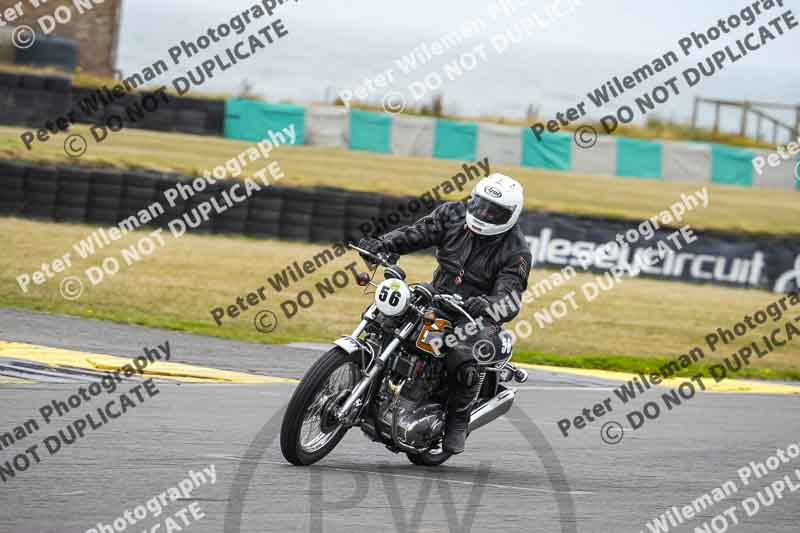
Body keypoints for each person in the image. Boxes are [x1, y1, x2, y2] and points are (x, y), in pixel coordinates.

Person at [357, 173, 532, 454]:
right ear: (472, 198)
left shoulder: (517, 251)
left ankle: (457, 421)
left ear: (510, 216)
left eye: (494, 212)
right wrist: (383, 244)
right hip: (438, 295)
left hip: (474, 314)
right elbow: (416, 233)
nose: (484, 214)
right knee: (384, 316)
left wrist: (488, 305)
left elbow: (510, 297)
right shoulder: (452, 213)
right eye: (480, 205)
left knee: (461, 351)